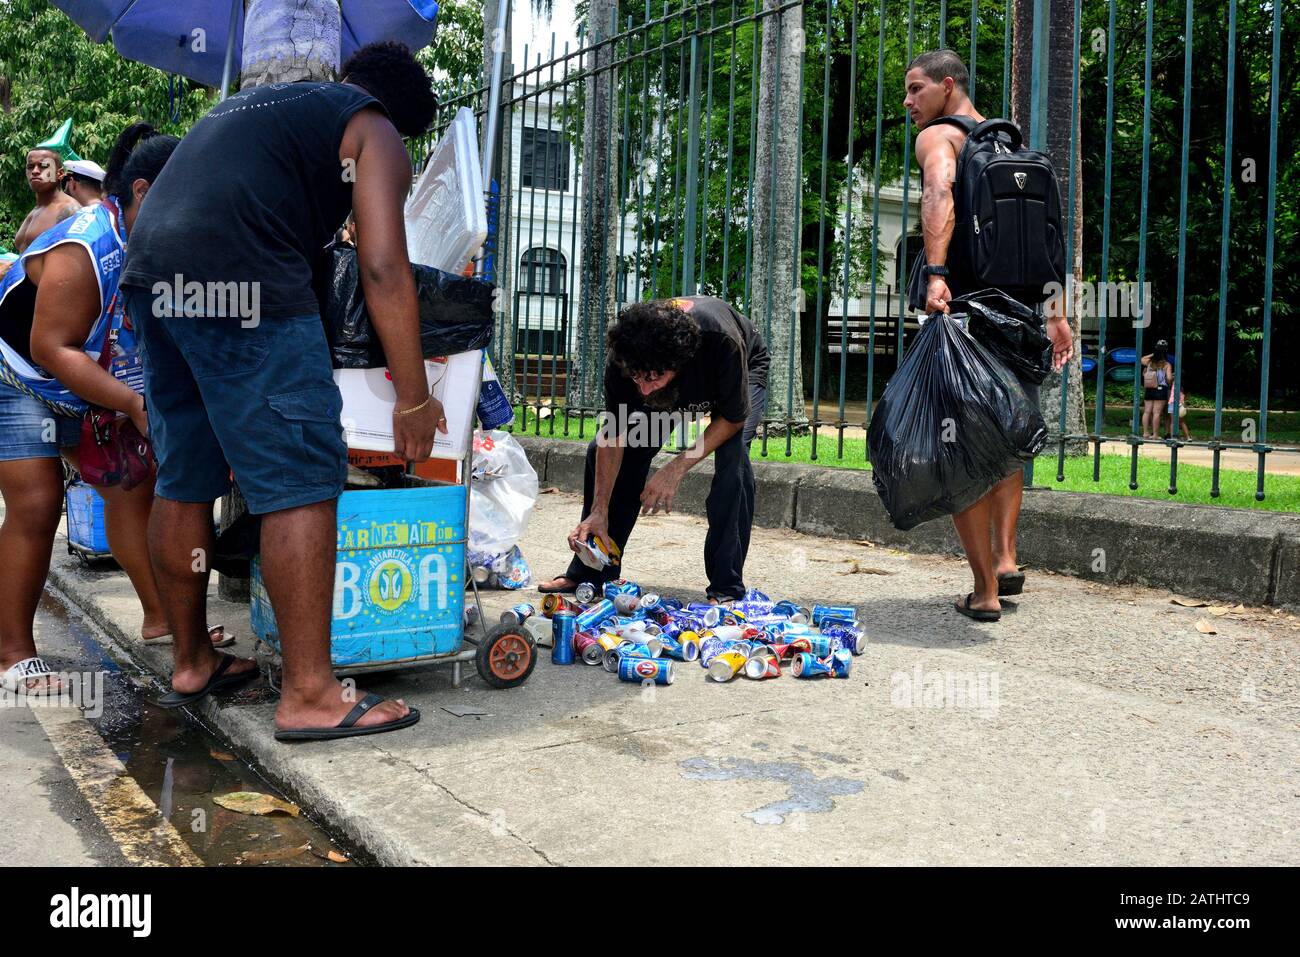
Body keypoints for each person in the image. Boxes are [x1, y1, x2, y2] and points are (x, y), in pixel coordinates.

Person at [120, 42, 442, 741]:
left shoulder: (266, 107)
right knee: (300, 474)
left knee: (184, 478)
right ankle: (310, 693)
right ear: (397, 115)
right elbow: (386, 268)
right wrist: (415, 399)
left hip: (155, 277)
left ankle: (191, 659)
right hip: (244, 281)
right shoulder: (374, 126)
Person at [0, 124, 184, 695]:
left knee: (131, 487)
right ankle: (12, 655)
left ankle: (162, 619)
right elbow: (49, 347)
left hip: (88, 380)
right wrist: (132, 403)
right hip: (18, 374)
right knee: (36, 503)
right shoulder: (87, 244)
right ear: (143, 192)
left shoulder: (146, 238)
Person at [903, 50, 1073, 623]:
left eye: (915, 89)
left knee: (963, 448)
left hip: (970, 312)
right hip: (1023, 313)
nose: (908, 102)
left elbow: (939, 196)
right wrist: (1055, 311)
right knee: (1008, 438)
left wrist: (936, 275)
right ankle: (1004, 557)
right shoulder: (1010, 146)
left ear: (948, 86)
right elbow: (1047, 233)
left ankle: (984, 593)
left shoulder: (938, 140)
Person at [535, 296, 770, 604]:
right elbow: (613, 435)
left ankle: (726, 588)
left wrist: (675, 468)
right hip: (673, 386)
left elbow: (733, 418)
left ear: (678, 363)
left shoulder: (720, 341)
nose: (643, 389)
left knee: (734, 460)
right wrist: (599, 509)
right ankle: (591, 572)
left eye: (652, 378)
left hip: (740, 370)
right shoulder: (626, 358)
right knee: (604, 450)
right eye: (636, 378)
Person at [1140, 340, 1173, 439]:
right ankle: (1155, 434)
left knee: (1147, 411)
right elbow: (1169, 378)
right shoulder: (1167, 364)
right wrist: (1169, 384)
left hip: (1149, 388)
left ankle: (1145, 433)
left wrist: (1154, 353)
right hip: (1161, 389)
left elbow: (1142, 359)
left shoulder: (1149, 362)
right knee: (1157, 412)